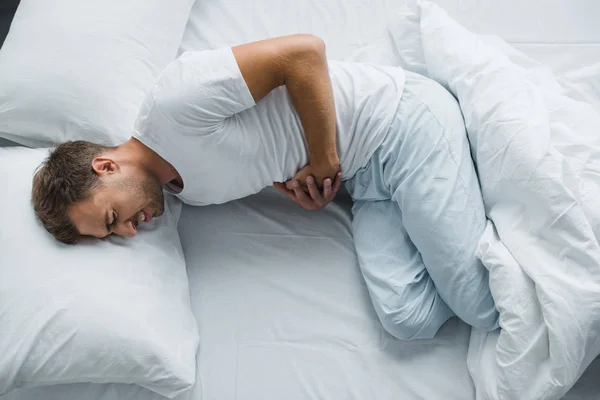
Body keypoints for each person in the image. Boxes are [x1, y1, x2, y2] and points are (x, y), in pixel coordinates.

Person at [31, 34, 499, 340]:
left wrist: (323, 158)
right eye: (113, 234)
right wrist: (318, 189)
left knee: (478, 304)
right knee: (406, 319)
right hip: (365, 182)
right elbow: (268, 151)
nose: (129, 233)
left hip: (400, 123)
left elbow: (303, 54)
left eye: (111, 219)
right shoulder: (182, 192)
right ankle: (459, 216)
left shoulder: (172, 103)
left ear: (105, 167)